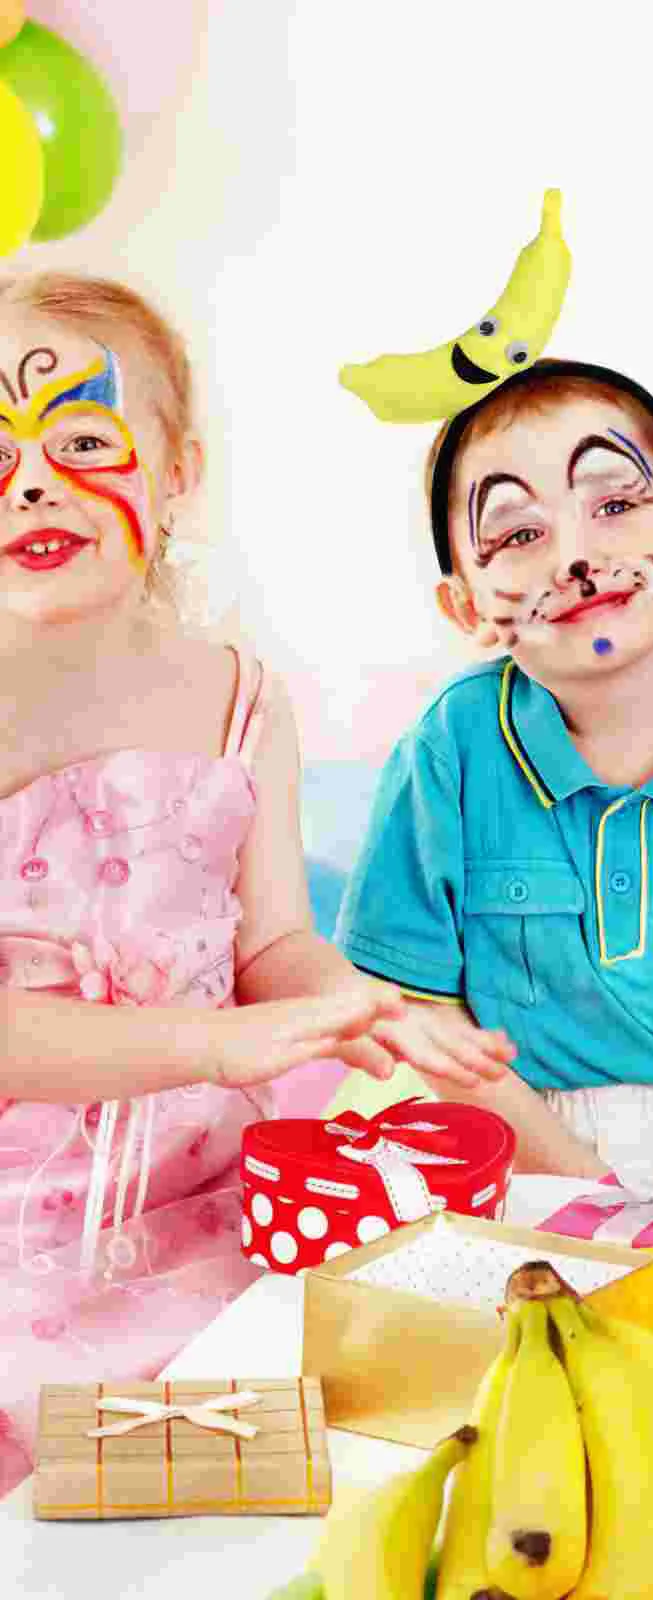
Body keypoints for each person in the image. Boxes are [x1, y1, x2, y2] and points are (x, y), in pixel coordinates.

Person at [0, 272, 506, 1500]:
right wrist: (225, 1043)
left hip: (214, 1213)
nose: (30, 482)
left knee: (324, 1458)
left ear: (178, 470)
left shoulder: (239, 698)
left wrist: (356, 1007)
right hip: (17, 1246)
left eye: (82, 439)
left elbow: (274, 939)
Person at [337, 359, 653, 1192]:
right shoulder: (450, 750)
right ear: (468, 607)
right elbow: (425, 1013)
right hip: (521, 1152)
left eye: (613, 505)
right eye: (519, 534)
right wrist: (590, 1198)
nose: (575, 557)